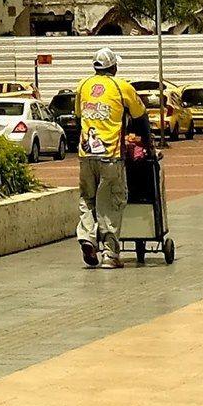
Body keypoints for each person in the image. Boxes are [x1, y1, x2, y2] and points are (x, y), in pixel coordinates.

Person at [71, 49, 148, 267]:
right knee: (111, 202)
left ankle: (87, 237)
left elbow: (79, 118)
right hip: (111, 156)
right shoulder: (122, 87)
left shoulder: (83, 85)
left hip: (86, 155)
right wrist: (147, 144)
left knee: (87, 198)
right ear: (113, 67)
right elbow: (140, 117)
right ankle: (110, 254)